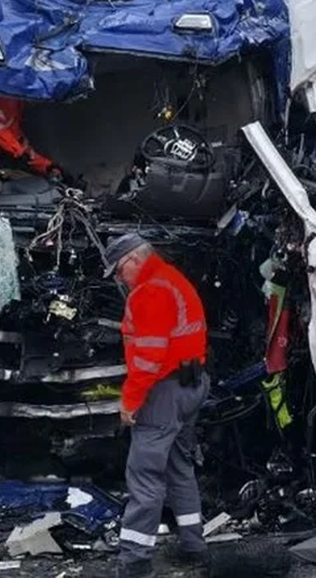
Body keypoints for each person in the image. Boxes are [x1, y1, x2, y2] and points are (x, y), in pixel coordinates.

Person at [103, 233, 210, 578]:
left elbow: (148, 358)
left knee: (145, 474)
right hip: (192, 384)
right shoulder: (173, 279)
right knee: (179, 466)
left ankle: (135, 561)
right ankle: (194, 546)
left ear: (134, 259)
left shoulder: (149, 290)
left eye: (119, 271)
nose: (120, 279)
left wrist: (130, 402)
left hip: (164, 392)